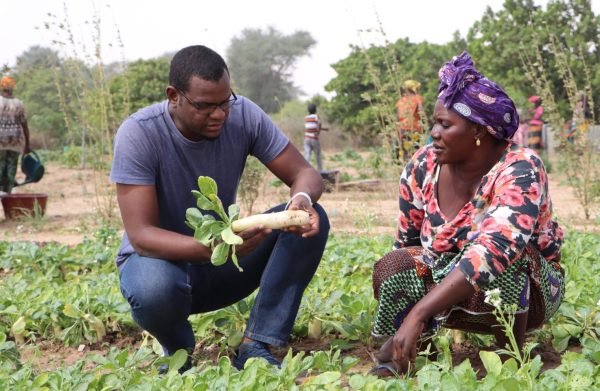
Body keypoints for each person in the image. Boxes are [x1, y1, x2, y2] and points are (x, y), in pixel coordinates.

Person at [109, 45, 330, 373]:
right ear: (174, 96)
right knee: (153, 287)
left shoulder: (243, 115)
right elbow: (141, 236)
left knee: (312, 220)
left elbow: (305, 174)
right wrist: (211, 248)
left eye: (225, 102)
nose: (219, 114)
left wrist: (301, 201)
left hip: (224, 263)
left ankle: (261, 344)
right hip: (162, 266)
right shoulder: (140, 133)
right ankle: (178, 351)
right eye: (205, 106)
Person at [370, 52, 564, 376]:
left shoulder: (520, 169)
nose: (434, 132)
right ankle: (409, 355)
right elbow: (405, 245)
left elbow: (494, 251)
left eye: (445, 124)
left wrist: (418, 313)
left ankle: (508, 360)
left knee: (509, 257)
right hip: (446, 284)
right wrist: (404, 317)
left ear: (478, 131)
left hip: (529, 288)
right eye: (434, 122)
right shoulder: (423, 166)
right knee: (395, 265)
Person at [0, 76, 30, 194]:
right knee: (11, 168)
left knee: (0, 165)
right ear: (13, 88)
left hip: (1, 141)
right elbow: (25, 125)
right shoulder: (19, 104)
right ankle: (7, 193)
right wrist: (27, 144)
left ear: (2, 88)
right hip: (15, 141)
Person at [394, 80, 426, 161]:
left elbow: (398, 117)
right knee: (416, 154)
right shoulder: (418, 99)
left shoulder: (400, 101)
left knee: (405, 154)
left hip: (402, 130)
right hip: (414, 129)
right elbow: (422, 115)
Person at [303, 103, 327, 171]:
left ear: (308, 110)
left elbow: (308, 127)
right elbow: (319, 125)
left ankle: (305, 170)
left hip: (306, 139)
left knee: (307, 154)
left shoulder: (306, 118)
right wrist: (318, 132)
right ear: (315, 110)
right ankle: (320, 170)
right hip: (314, 138)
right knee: (318, 155)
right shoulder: (316, 117)